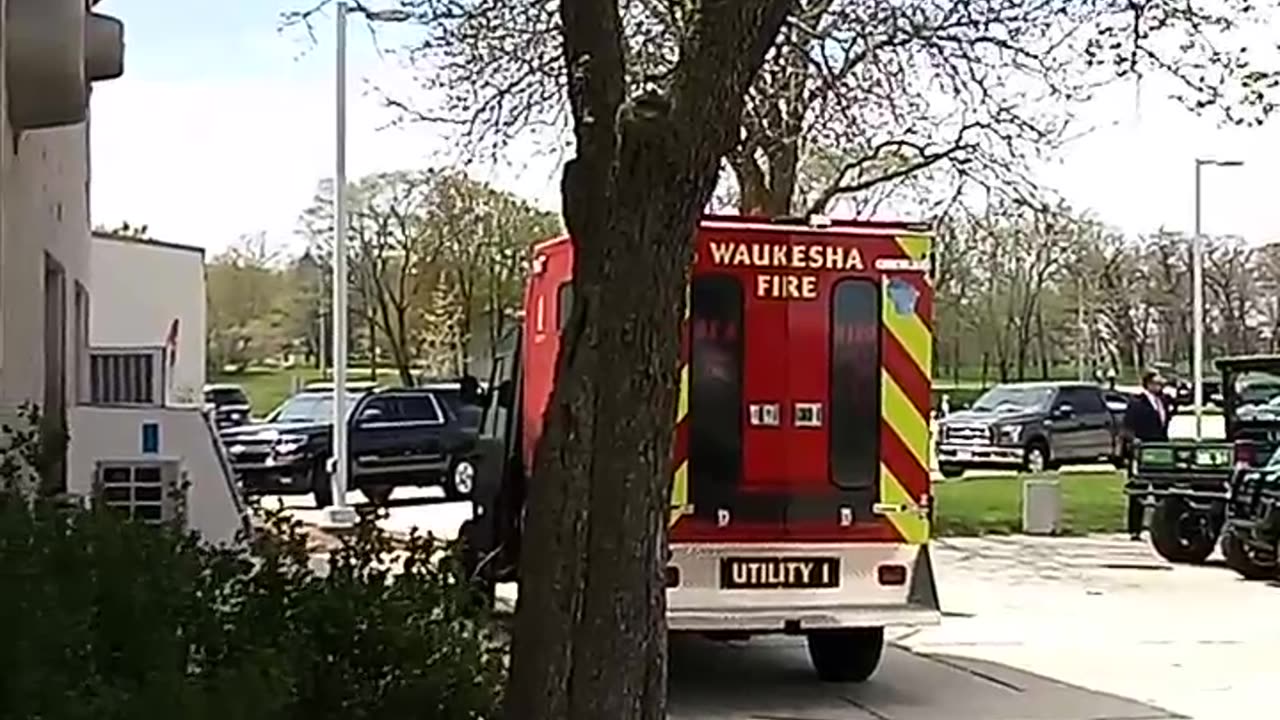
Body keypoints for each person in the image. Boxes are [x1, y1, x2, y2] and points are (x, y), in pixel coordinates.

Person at [1122, 370, 1171, 540]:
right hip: (1142, 450)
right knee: (1139, 490)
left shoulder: (1163, 401)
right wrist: (1133, 441)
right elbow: (1127, 427)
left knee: (1162, 490)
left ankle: (1162, 528)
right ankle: (1134, 529)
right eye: (1157, 383)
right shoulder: (1137, 403)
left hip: (1161, 450)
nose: (1160, 386)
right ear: (1148, 384)